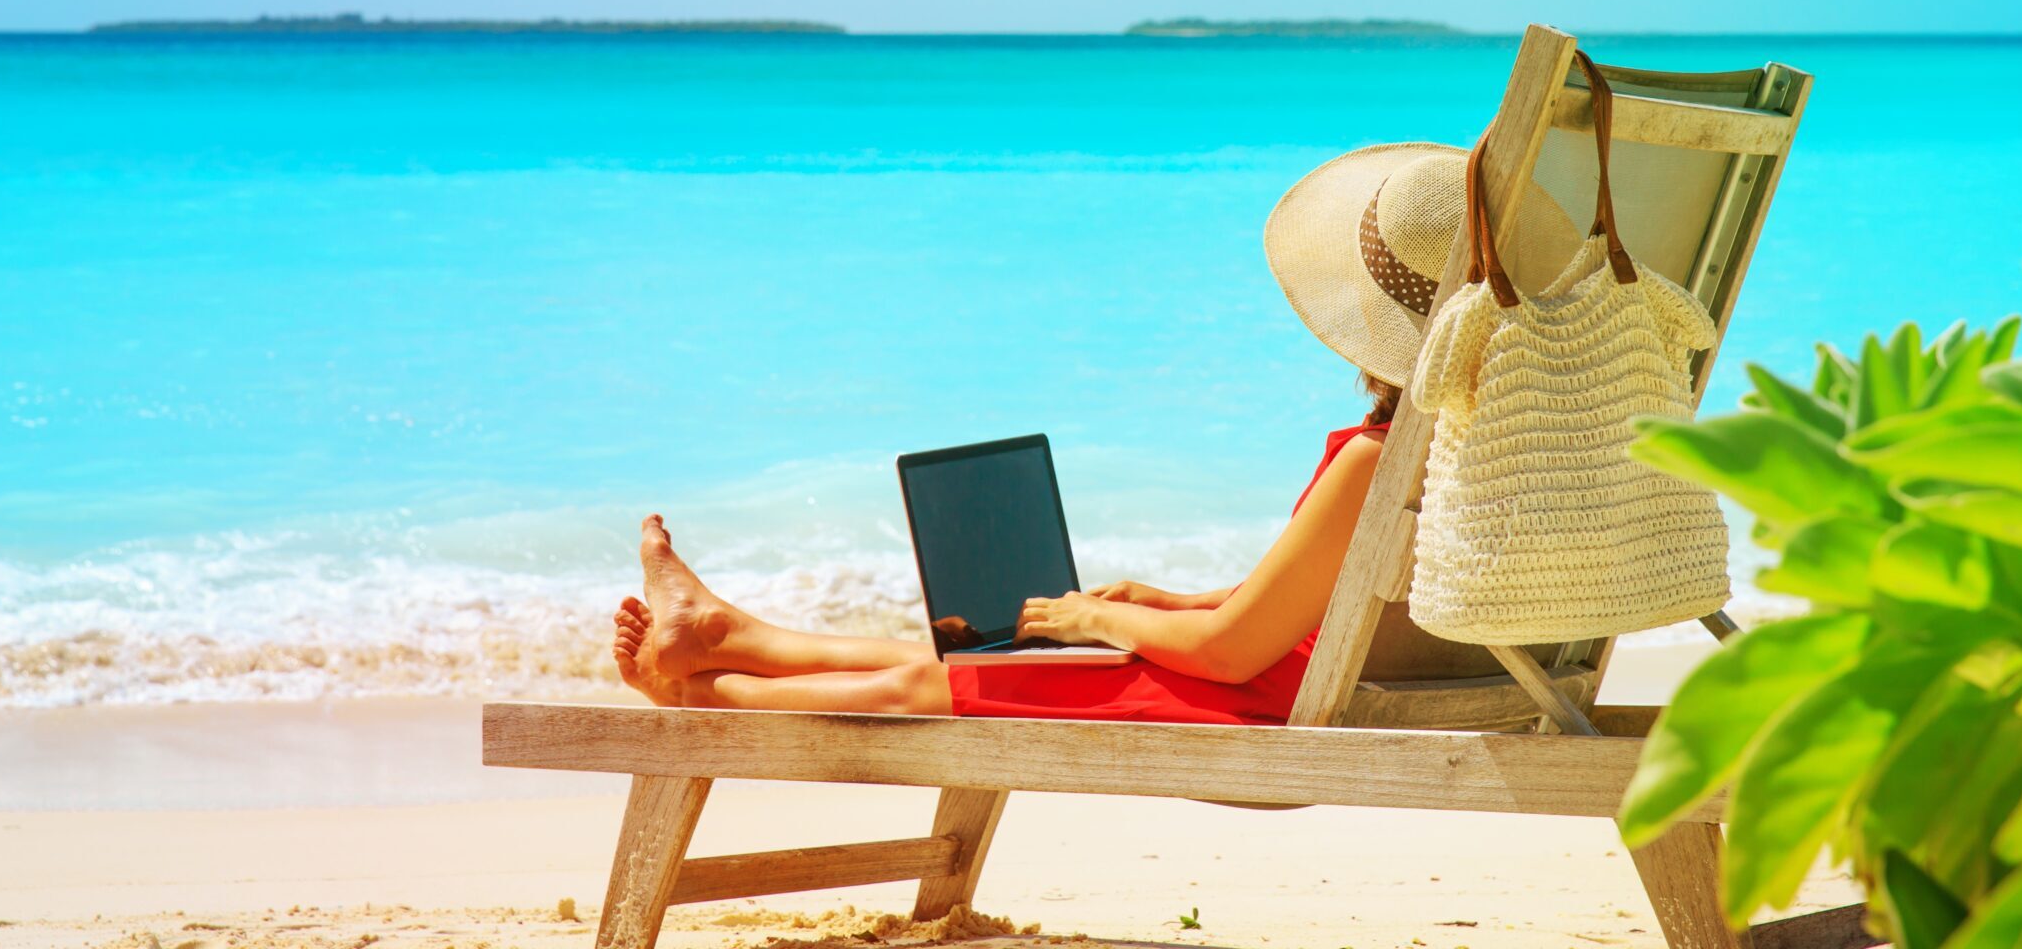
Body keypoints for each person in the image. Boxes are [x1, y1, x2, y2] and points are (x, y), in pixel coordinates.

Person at [612, 142, 1577, 725]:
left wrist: (1101, 618)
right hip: (1328, 676)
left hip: (1274, 698)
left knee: (933, 687)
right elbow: (1333, 593)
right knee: (972, 660)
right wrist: (1176, 599)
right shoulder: (1495, 437)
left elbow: (1238, 654)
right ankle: (729, 634)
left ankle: (702, 700)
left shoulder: (1377, 457)